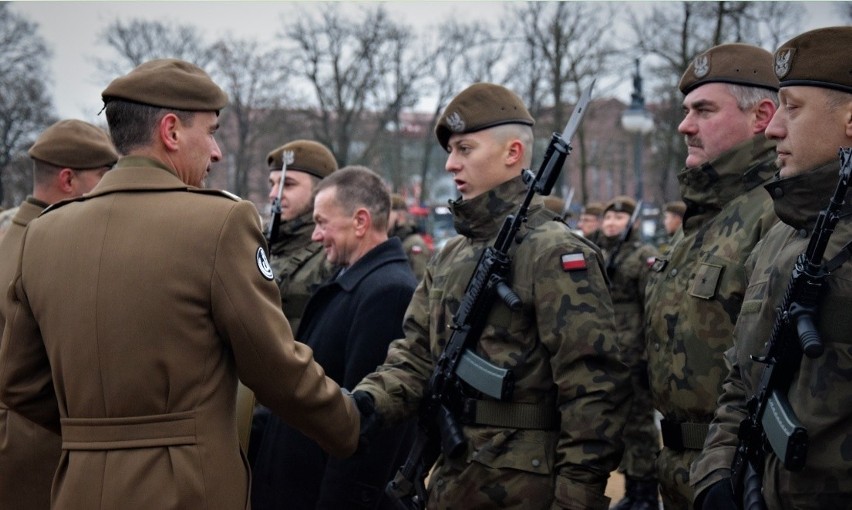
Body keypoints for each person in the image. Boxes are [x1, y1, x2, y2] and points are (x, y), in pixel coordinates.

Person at [0, 58, 358, 510]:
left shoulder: (44, 233)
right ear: (170, 131)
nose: (217, 152)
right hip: (187, 488)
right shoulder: (219, 223)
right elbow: (274, 366)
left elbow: (19, 384)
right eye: (211, 132)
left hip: (77, 487)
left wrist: (96, 435)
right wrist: (348, 424)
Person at [352, 82, 631, 509]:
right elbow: (414, 355)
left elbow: (595, 391)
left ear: (512, 153)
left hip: (526, 491)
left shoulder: (555, 252)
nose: (450, 164)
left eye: (465, 149)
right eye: (451, 151)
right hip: (456, 479)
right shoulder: (450, 256)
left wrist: (576, 499)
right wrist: (365, 404)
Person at [691, 26, 852, 510]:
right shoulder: (782, 235)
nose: (774, 127)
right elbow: (742, 375)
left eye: (793, 106)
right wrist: (717, 472)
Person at [642, 43, 780, 509]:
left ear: (762, 116)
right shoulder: (702, 220)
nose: (685, 125)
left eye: (703, 110)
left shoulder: (778, 214)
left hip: (743, 476)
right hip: (680, 473)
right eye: (685, 111)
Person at [252, 166, 417, 510]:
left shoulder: (387, 294)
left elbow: (367, 430)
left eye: (322, 222)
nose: (315, 235)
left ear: (360, 221)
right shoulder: (354, 284)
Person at [0, 118, 118, 510]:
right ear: (68, 181)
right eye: (103, 175)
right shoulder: (53, 252)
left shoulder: (8, 236)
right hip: (35, 443)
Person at [598, 196, 661, 510]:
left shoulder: (643, 256)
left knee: (640, 426)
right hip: (608, 355)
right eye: (607, 218)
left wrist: (647, 355)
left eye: (618, 219)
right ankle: (631, 488)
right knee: (619, 427)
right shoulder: (599, 253)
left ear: (631, 223)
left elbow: (652, 308)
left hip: (634, 355)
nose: (610, 223)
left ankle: (645, 492)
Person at [265, 140, 338, 334]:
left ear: (321, 192)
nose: (274, 194)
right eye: (272, 184)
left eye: (287, 185)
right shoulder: (259, 243)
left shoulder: (331, 253)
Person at [389, 193, 432, 281]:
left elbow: (420, 280)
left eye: (388, 213)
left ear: (400, 215)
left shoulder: (414, 243)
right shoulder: (395, 241)